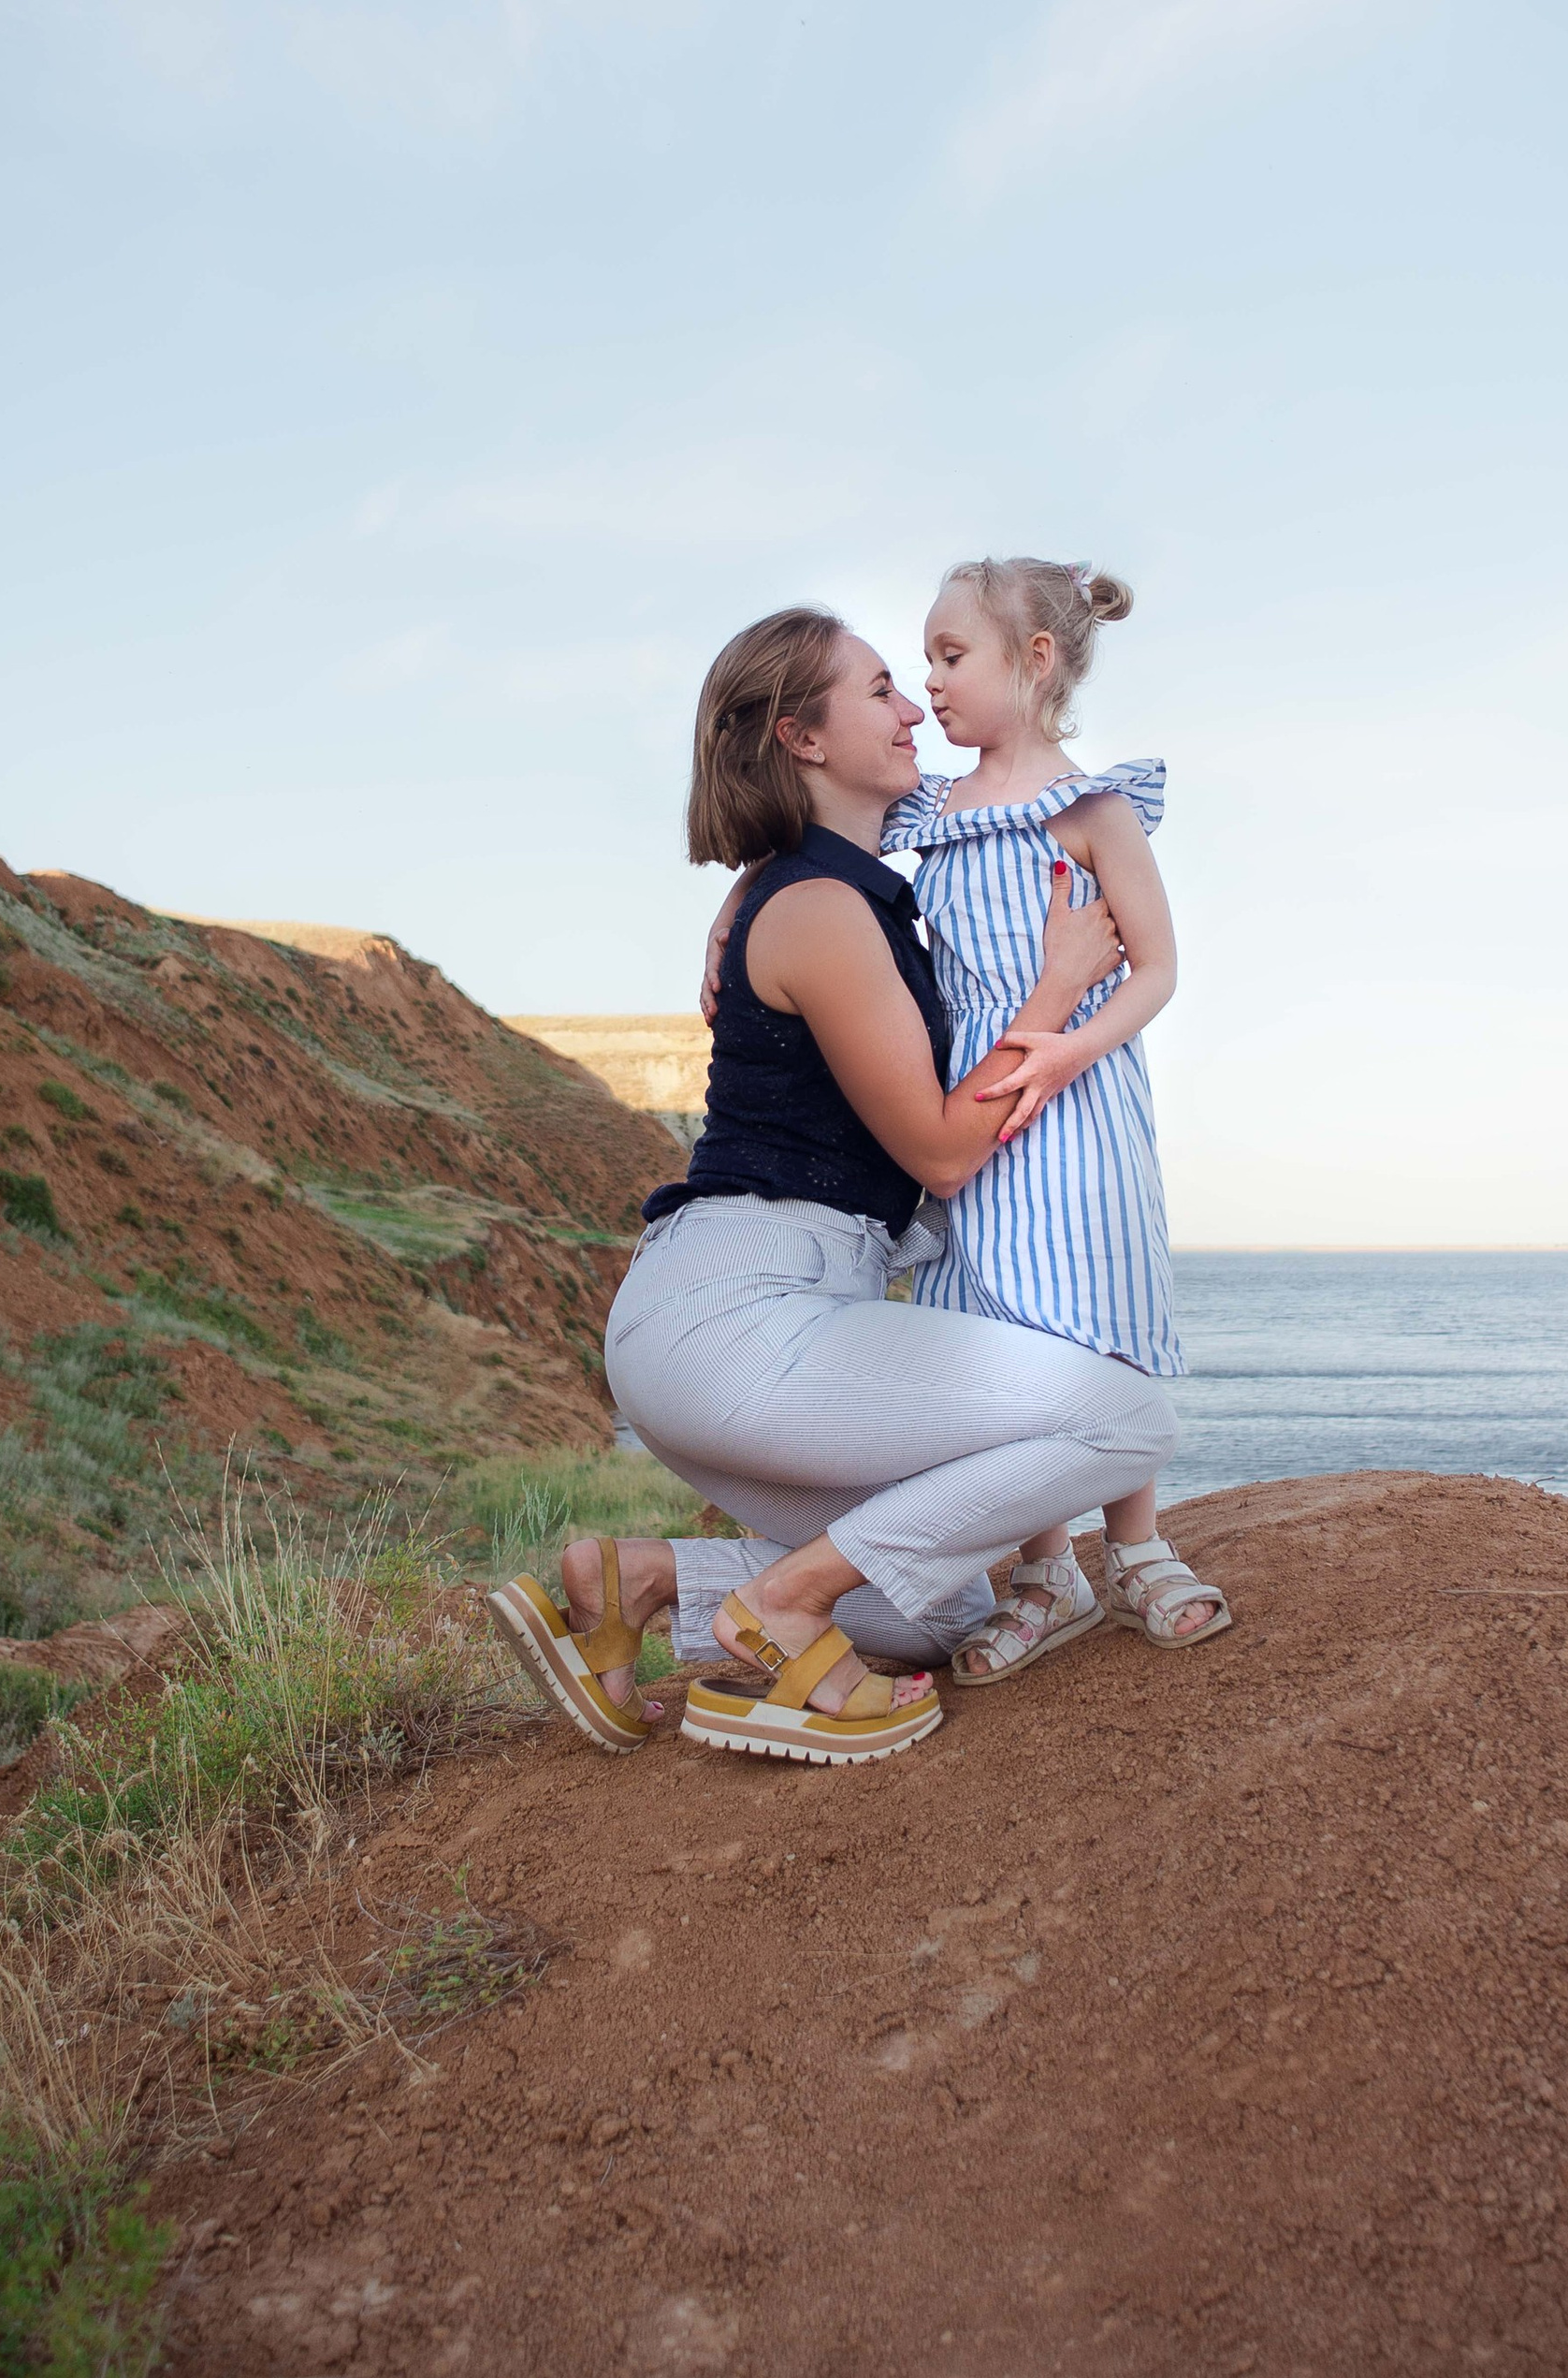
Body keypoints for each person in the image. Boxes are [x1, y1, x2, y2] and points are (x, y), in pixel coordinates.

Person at [485, 605, 1176, 1768]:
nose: (914, 708)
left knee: (936, 1606)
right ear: (803, 737)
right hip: (742, 1311)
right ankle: (783, 1608)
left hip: (749, 1318)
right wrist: (1058, 986)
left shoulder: (826, 892)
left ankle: (637, 1579)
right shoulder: (821, 910)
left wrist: (747, 877)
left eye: (915, 685)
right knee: (1126, 1416)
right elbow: (945, 1153)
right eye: (879, 691)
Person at [882, 555, 1227, 1680]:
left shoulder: (1093, 809)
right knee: (994, 1328)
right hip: (973, 1095)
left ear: (1035, 663)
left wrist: (1073, 1044)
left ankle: (1133, 1543)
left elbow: (1158, 967)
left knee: (1089, 1309)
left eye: (949, 655)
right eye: (924, 657)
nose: (928, 681)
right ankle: (1044, 1570)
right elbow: (806, 844)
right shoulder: (924, 809)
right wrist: (732, 909)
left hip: (1075, 1100)